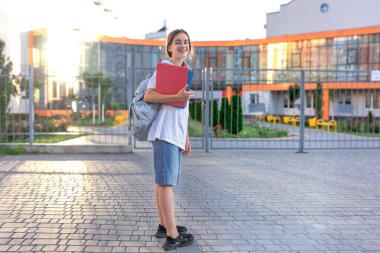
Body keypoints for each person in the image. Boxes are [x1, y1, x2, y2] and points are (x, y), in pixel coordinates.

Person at [143, 29, 195, 251]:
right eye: (177, 42)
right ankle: (172, 236)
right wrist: (177, 95)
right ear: (169, 47)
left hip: (174, 134)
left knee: (163, 181)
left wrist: (185, 136)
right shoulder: (165, 68)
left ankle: (165, 226)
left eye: (186, 42)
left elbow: (181, 109)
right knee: (166, 183)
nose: (182, 45)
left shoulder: (185, 72)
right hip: (164, 133)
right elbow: (149, 95)